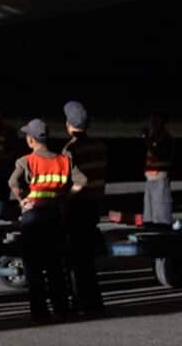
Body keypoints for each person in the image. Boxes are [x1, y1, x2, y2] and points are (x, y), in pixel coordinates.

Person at [9, 118, 86, 323]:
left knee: (33, 267)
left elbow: (13, 182)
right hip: (54, 216)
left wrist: (22, 201)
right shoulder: (64, 160)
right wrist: (65, 197)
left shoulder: (25, 161)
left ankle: (40, 313)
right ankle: (61, 309)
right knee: (55, 266)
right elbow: (81, 181)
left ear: (31, 140)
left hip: (33, 217)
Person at [62, 100, 107, 316]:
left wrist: (65, 201)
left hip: (78, 208)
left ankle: (82, 302)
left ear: (68, 124)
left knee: (76, 260)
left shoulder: (70, 149)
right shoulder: (99, 146)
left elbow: (71, 182)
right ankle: (94, 301)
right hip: (94, 206)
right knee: (87, 258)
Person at [142, 111, 175, 226]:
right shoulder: (155, 136)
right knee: (151, 203)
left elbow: (156, 152)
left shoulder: (164, 137)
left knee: (160, 202)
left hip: (159, 174)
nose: (152, 121)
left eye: (156, 119)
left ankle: (161, 223)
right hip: (151, 174)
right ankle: (151, 222)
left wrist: (146, 139)